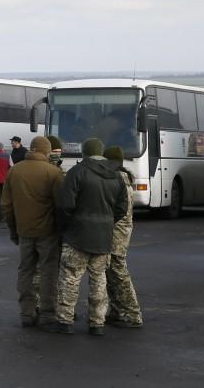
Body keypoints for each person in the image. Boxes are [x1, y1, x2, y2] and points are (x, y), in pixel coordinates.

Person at [48, 137, 128, 336]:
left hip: (77, 235)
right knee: (99, 279)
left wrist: (66, 227)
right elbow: (121, 208)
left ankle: (65, 321)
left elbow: (65, 205)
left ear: (84, 152)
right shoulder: (116, 176)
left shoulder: (77, 172)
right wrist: (107, 222)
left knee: (70, 278)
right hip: (103, 236)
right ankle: (97, 323)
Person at [1, 135, 65, 328]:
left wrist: (14, 230)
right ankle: (47, 313)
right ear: (46, 151)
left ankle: (27, 313)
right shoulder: (53, 173)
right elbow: (61, 206)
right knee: (48, 272)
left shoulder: (14, 171)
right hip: (48, 232)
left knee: (25, 270)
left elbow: (6, 206)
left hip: (24, 231)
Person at [103, 145, 142, 328]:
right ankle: (118, 310)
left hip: (117, 230)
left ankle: (132, 313)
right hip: (121, 229)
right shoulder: (124, 176)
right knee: (110, 271)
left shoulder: (118, 179)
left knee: (118, 271)